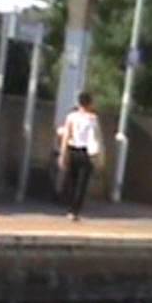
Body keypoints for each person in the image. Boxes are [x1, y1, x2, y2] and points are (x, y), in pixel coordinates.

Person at [58, 91, 102, 221]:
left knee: (71, 180)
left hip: (72, 150)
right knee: (82, 183)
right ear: (90, 103)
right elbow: (96, 138)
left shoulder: (71, 117)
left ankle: (70, 208)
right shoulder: (93, 118)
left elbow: (66, 135)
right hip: (85, 152)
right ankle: (75, 211)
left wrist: (62, 153)